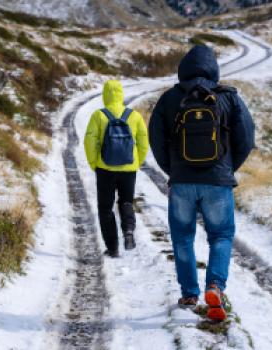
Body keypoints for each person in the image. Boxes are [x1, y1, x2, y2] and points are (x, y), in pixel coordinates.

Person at [149, 45, 255, 321]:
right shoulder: (228, 97)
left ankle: (189, 293)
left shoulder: (169, 98)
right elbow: (246, 139)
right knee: (220, 235)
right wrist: (228, 169)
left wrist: (172, 170)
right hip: (217, 180)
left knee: (182, 237)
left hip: (182, 181)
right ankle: (215, 287)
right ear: (214, 70)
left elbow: (156, 140)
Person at [84, 80, 149, 258]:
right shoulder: (134, 115)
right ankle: (128, 230)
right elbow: (143, 141)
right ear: (121, 94)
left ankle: (112, 248)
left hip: (105, 168)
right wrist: (137, 161)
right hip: (129, 169)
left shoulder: (99, 115)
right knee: (126, 202)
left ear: (105, 95)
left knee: (105, 208)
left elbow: (89, 141)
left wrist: (94, 163)